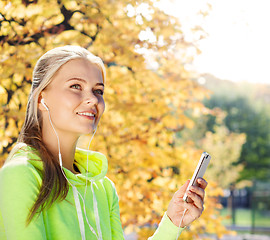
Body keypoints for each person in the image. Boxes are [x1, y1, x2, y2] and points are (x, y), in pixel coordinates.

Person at [0, 45, 208, 240]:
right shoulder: (22, 174)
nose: (92, 99)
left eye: (98, 90)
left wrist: (172, 222)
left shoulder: (102, 188)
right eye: (75, 86)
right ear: (40, 99)